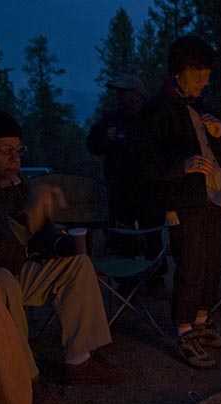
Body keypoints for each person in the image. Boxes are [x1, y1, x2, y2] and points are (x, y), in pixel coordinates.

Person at [0, 103, 123, 404]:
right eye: (4, 150)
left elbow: (40, 233)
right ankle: (29, 382)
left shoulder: (17, 182)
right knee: (2, 280)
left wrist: (62, 242)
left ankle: (79, 361)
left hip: (17, 272)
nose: (15, 158)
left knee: (77, 266)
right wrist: (27, 221)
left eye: (17, 149)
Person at [138, 35, 221, 369]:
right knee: (191, 264)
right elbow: (146, 161)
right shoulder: (156, 110)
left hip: (213, 195)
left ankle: (202, 323)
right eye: (197, 76)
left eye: (207, 75)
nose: (203, 82)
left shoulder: (204, 106)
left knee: (211, 263)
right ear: (178, 73)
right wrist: (183, 165)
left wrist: (220, 135)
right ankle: (184, 331)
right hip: (183, 199)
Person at [86, 75, 166, 295]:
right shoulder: (110, 118)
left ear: (138, 94)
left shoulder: (152, 116)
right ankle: (127, 282)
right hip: (120, 189)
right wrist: (107, 139)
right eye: (118, 93)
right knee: (121, 234)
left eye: (124, 92)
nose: (119, 97)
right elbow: (93, 145)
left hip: (149, 188)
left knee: (154, 234)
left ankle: (155, 279)